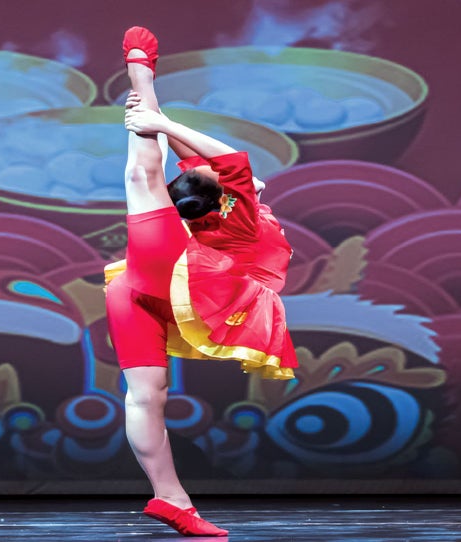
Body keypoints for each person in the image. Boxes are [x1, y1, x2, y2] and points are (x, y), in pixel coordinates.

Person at [104, 26, 298, 537]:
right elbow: (230, 161)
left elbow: (209, 162)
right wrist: (154, 116)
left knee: (143, 173)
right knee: (146, 397)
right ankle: (172, 500)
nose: (208, 166)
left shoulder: (230, 206)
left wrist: (151, 108)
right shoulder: (239, 209)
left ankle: (172, 499)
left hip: (148, 285)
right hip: (173, 279)